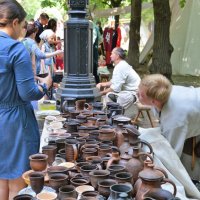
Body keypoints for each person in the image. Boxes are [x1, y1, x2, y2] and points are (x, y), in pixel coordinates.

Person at [0, 0, 52, 199]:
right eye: (23, 26)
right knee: (17, 182)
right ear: (14, 23)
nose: (23, 30)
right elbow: (28, 93)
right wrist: (46, 84)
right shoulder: (15, 49)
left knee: (1, 180)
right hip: (15, 123)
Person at [137, 74, 200, 158]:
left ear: (154, 101)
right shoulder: (164, 91)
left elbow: (172, 155)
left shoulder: (174, 121)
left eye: (141, 95)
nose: (137, 94)